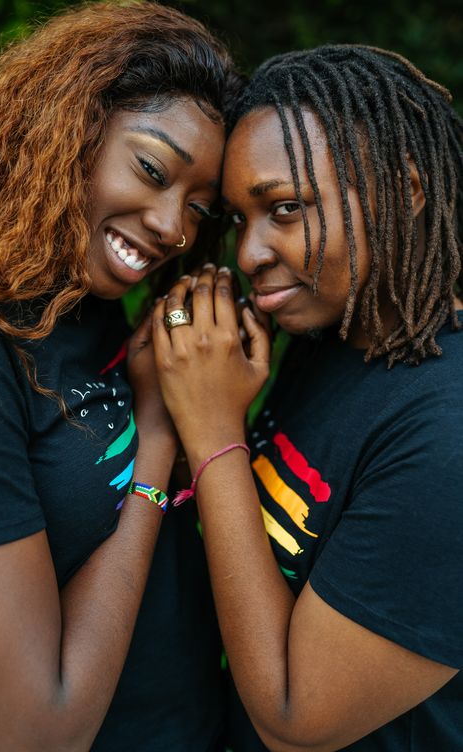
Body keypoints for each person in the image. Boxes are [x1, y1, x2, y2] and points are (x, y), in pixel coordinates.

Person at [0, 0, 241, 751]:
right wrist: (160, 435)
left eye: (199, 209)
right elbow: (32, 734)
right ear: (70, 131)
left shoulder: (94, 309)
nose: (174, 227)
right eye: (150, 169)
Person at [149, 45, 463, 750]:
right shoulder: (332, 341)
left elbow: (296, 718)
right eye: (237, 219)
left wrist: (212, 430)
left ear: (404, 190)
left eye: (284, 208)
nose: (249, 253)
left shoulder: (447, 435)